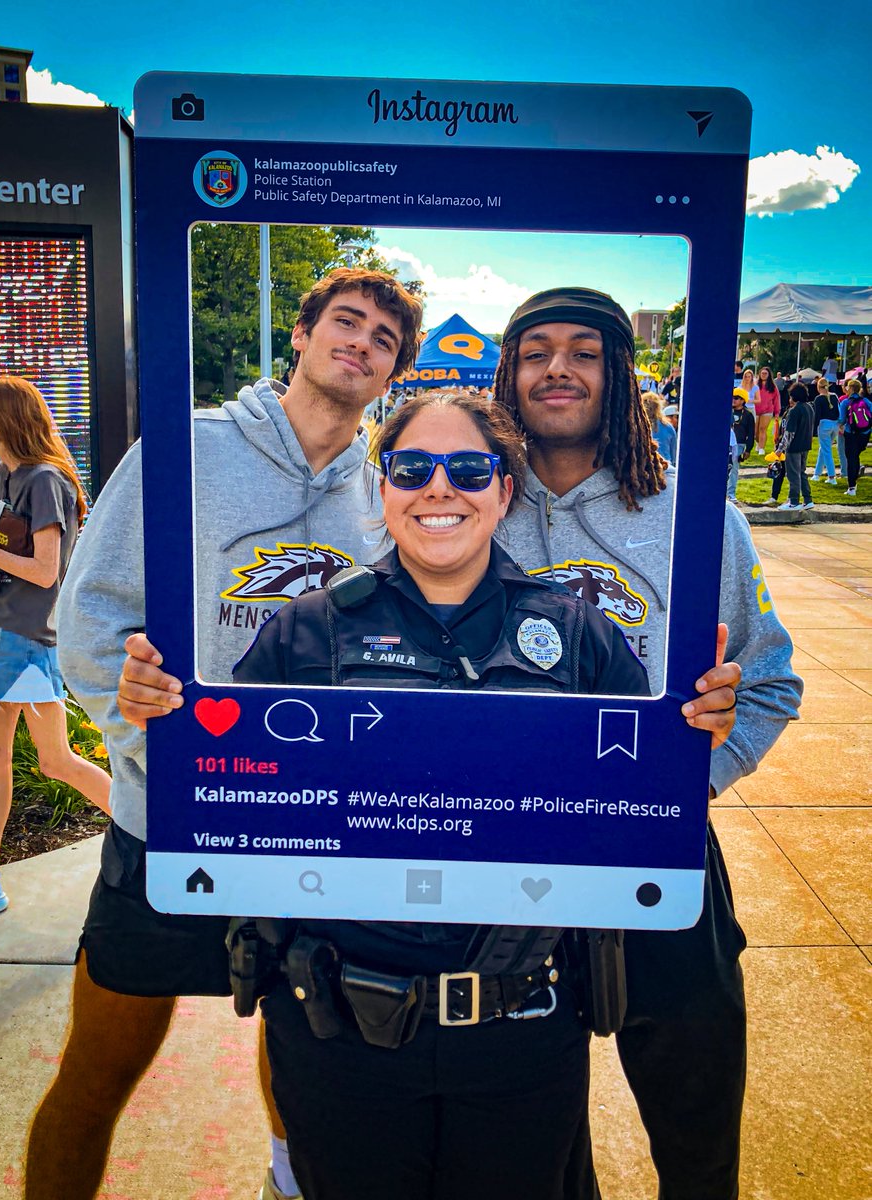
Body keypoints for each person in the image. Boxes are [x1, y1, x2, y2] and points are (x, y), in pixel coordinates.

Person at [24, 268, 425, 1200]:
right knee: (97, 1075)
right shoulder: (186, 448)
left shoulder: (386, 492)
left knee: (305, 1081)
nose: (360, 344)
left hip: (310, 837)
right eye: (346, 322)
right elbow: (91, 618)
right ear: (301, 333)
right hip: (167, 829)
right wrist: (163, 758)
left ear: (392, 372)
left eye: (383, 340)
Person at [234, 391, 649, 1200]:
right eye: (412, 468)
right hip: (338, 1037)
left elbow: (637, 813)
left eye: (468, 468)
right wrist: (170, 719)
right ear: (382, 487)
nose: (439, 489)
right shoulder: (304, 633)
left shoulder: (579, 637)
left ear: (504, 491)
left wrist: (692, 730)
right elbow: (234, 811)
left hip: (522, 1035)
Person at [491, 286, 803, 1200]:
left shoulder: (695, 517)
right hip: (499, 859)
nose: (558, 368)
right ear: (507, 372)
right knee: (533, 1138)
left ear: (619, 373)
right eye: (536, 349)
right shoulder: (463, 502)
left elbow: (771, 679)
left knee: (696, 1117)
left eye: (584, 351)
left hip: (656, 853)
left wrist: (688, 778)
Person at [0, 377, 110, 916]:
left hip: (27, 638)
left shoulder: (43, 480)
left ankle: (152, 835)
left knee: (55, 761)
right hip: (1, 632)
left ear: (4, 417)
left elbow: (46, 570)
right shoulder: (5, 473)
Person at [778, 382, 814, 511]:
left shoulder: (794, 411)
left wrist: (780, 449)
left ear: (793, 396)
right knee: (802, 473)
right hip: (806, 445)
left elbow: (789, 433)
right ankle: (808, 499)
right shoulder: (809, 407)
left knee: (793, 474)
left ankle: (793, 501)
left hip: (794, 448)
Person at [839, 378, 872, 496]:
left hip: (851, 433)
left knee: (851, 459)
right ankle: (855, 478)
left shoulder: (845, 402)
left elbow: (842, 419)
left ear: (851, 389)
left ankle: (851, 486)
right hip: (864, 433)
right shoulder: (866, 401)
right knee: (856, 456)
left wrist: (839, 425)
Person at [728, 387, 755, 501]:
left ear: (743, 400)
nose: (733, 400)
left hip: (739, 444)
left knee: (733, 468)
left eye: (737, 398)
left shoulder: (748, 415)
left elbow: (751, 433)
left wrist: (748, 449)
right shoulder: (727, 411)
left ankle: (731, 493)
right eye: (733, 397)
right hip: (726, 443)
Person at [813, 377, 841, 484]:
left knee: (827, 451)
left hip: (824, 425)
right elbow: (839, 412)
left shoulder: (818, 399)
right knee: (823, 449)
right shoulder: (834, 396)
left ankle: (832, 476)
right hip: (835, 425)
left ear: (818, 387)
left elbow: (817, 416)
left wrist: (813, 431)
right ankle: (817, 473)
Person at [643, 392, 677, 465]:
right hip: (666, 466)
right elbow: (674, 455)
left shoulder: (638, 426)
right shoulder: (669, 427)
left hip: (645, 466)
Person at [753, 365, 780, 455]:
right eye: (762, 373)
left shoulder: (773, 387)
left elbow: (776, 399)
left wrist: (777, 412)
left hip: (767, 410)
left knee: (762, 429)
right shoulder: (755, 385)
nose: (764, 375)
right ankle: (758, 443)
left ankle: (761, 448)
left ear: (769, 375)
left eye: (765, 373)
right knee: (755, 431)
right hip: (755, 409)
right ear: (760, 374)